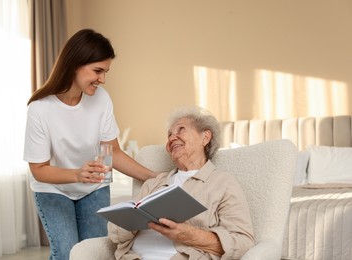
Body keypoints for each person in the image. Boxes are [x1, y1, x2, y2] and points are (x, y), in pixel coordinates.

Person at [23, 28, 156, 260]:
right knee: (66, 253)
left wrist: (155, 177)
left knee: (94, 253)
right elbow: (39, 169)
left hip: (93, 188)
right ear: (75, 64)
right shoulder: (40, 109)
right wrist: (77, 174)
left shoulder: (101, 99)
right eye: (97, 71)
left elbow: (112, 152)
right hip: (53, 188)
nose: (102, 79)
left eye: (105, 72)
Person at [108, 106, 255, 259]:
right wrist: (129, 221)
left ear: (205, 137)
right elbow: (116, 236)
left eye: (181, 130)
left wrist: (188, 234)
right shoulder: (155, 183)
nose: (172, 138)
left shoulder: (223, 183)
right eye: (169, 135)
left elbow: (243, 242)